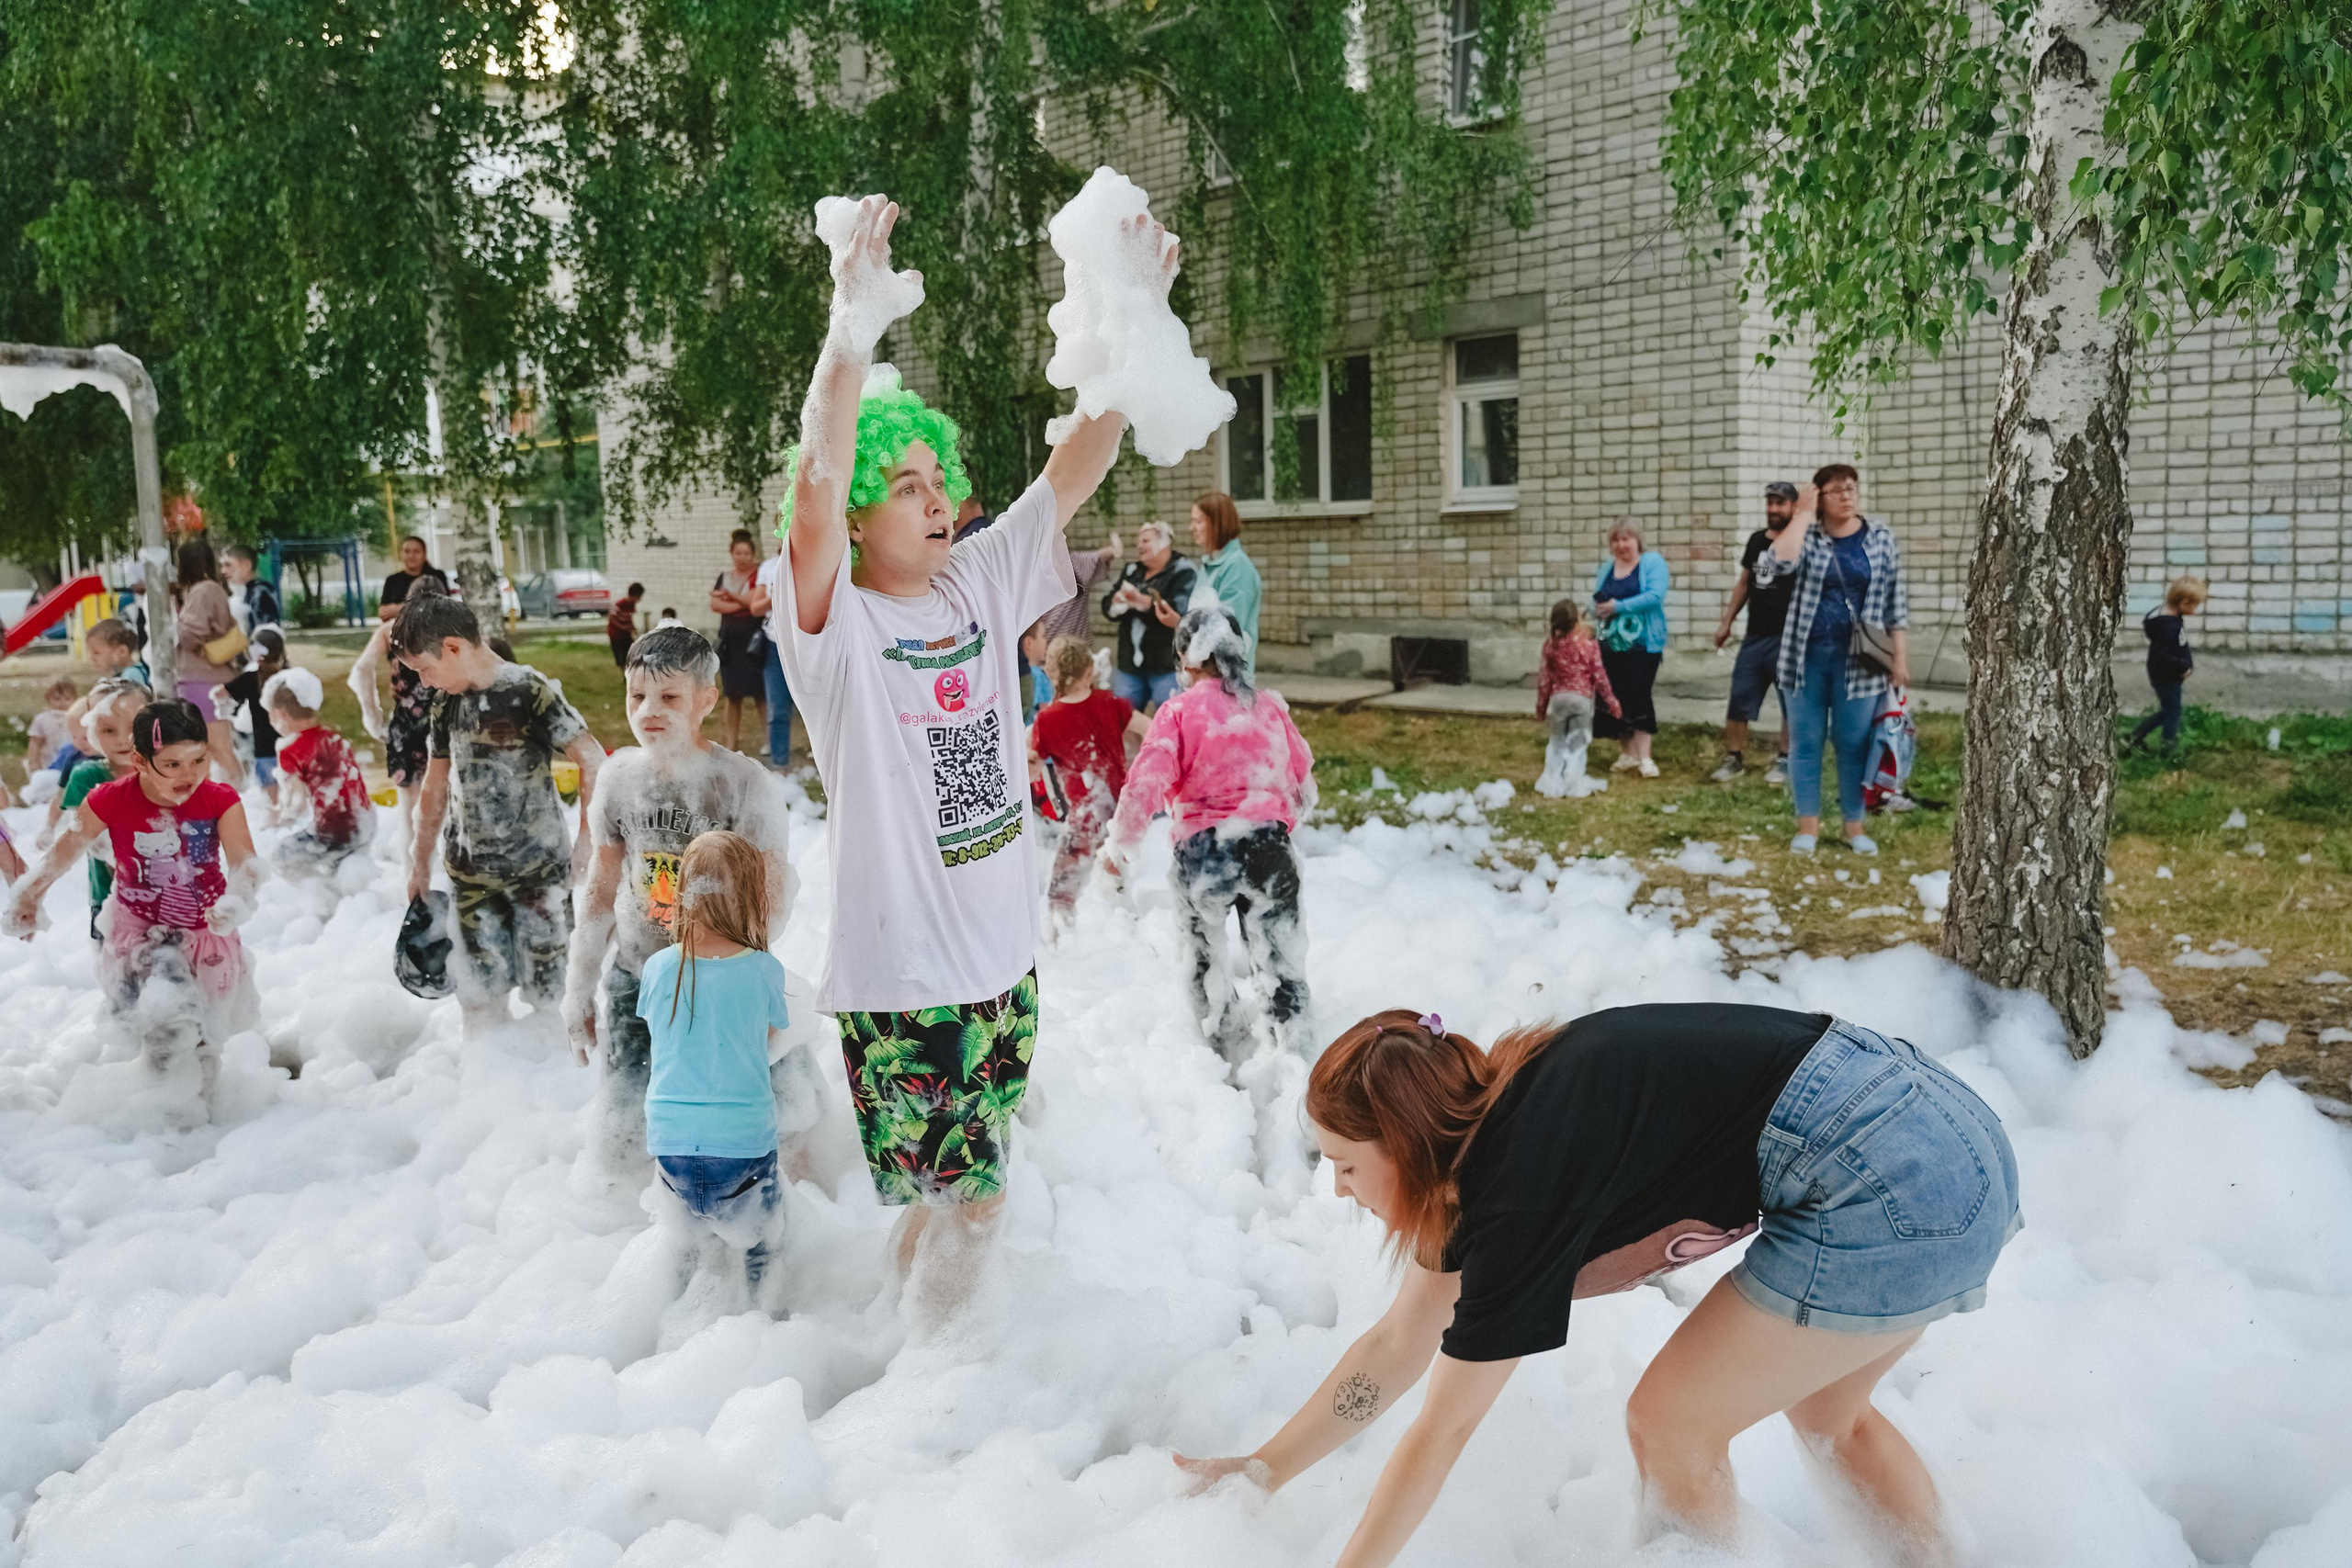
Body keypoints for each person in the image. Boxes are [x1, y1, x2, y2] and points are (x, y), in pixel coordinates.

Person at [1175, 1003, 2020, 1567]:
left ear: (1406, 1146)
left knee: (1669, 1425)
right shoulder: (1497, 1126)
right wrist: (1261, 1469)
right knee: (1832, 1415)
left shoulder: (1519, 1189)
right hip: (1948, 1134)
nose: (1338, 1190)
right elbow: (1397, 1345)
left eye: (1347, 1165)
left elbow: (1442, 1428)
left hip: (1894, 1176)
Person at [768, 195, 1138, 1309]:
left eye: (941, 482)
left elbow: (1079, 461)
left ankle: (902, 1354)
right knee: (977, 1200)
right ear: (867, 518)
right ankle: (933, 1386)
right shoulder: (833, 622)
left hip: (1000, 966)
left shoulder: (975, 582)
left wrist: (1128, 323)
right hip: (908, 984)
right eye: (909, 487)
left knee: (953, 1192)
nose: (938, 504)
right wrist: (849, 331)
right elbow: (815, 494)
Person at [564, 626, 797, 1178]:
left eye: (669, 697)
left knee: (770, 1111)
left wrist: (744, 978)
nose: (649, 710)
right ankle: (628, 1218)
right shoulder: (618, 780)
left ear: (706, 700)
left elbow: (771, 890)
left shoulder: (741, 785)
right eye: (636, 695)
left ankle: (782, 1201)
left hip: (721, 979)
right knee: (626, 1115)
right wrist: (579, 987)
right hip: (638, 974)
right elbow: (600, 889)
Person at [6, 698, 266, 1105]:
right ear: (141, 762)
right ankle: (162, 1106)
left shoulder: (219, 799)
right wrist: (29, 896)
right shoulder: (110, 799)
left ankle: (202, 1114)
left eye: (198, 760)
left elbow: (244, 863)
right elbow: (64, 851)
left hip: (205, 933)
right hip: (140, 932)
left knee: (205, 1038)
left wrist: (237, 899)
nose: (189, 775)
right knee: (167, 1023)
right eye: (173, 764)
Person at [1102, 607, 1316, 1088]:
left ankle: (1226, 1068)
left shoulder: (1177, 713)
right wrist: (1281, 826)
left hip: (1203, 857)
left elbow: (1146, 784)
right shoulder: (1269, 708)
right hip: (1269, 849)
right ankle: (1297, 1068)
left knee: (1204, 960)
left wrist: (1120, 848)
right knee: (1283, 966)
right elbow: (1303, 780)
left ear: (1185, 660)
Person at [396, 592, 604, 1043]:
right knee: (480, 998)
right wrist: (419, 860)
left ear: (453, 647)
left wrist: (588, 841)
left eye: (424, 668)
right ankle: (492, 1088)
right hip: (471, 879)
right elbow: (433, 789)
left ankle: (553, 1094)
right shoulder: (446, 704)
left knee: (554, 996)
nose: (426, 681)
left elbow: (591, 757)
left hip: (539, 876)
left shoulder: (528, 691)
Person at [637, 829, 818, 1304]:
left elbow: (661, 1031)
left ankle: (669, 1320)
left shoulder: (658, 968)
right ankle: (763, 1320)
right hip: (742, 1146)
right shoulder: (761, 969)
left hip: (670, 1143)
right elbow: (773, 1033)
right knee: (763, 1244)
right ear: (754, 897)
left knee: (684, 1246)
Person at [1754, 465, 1911, 855]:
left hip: (1862, 661)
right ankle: (1808, 826)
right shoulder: (1807, 534)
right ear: (1819, 496)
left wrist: (1900, 658)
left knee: (1853, 742)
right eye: (1837, 490)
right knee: (1806, 742)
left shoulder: (1879, 537)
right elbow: (1773, 567)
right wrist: (1803, 514)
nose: (1847, 495)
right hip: (1804, 656)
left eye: (1851, 488)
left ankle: (1853, 827)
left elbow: (1896, 601)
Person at [1029, 634, 1136, 925]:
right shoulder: (1112, 703)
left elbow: (1032, 765)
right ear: (1090, 671)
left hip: (1084, 818)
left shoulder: (1047, 720)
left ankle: (1061, 926)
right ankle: (1125, 920)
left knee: (1061, 888)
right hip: (1119, 811)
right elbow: (1154, 730)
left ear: (1050, 674)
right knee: (1115, 873)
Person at [41, 678, 150, 939]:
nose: (124, 739)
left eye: (133, 726)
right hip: (109, 898)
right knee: (118, 974)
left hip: (171, 900)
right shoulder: (87, 776)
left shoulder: (166, 770)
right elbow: (82, 838)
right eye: (108, 730)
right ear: (91, 731)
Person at [350, 576, 449, 847]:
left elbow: (361, 670)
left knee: (410, 807)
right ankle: (446, 868)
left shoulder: (392, 630)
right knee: (450, 799)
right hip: (447, 723)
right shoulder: (451, 630)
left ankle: (413, 873)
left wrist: (372, 715)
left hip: (406, 726)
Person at [1711, 481, 1797, 784]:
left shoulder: (1802, 542)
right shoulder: (1757, 540)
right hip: (1755, 637)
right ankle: (1734, 758)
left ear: (1793, 508)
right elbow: (1744, 583)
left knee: (1791, 702)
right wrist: (1726, 622)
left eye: (1780, 503)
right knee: (1740, 698)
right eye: (1770, 503)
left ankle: (1785, 760)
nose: (1773, 509)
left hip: (1789, 639)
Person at [265, 667, 376, 879]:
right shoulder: (333, 739)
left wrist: (277, 817)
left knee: (281, 856)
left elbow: (296, 806)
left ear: (281, 715)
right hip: (365, 826)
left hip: (334, 835)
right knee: (336, 863)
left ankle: (316, 899)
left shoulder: (290, 749)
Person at [1589, 518, 1669, 778]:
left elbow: (1654, 596)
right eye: (1616, 539)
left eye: (1626, 539)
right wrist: (1596, 609)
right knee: (1613, 697)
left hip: (1643, 645)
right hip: (1609, 645)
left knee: (1638, 695)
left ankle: (1645, 758)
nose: (1621, 545)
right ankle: (1627, 754)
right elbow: (1596, 599)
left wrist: (1618, 607)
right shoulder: (1607, 567)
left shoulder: (1652, 562)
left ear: (1637, 540)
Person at [171, 536, 244, 784]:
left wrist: (172, 623)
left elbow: (191, 635)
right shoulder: (211, 589)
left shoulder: (203, 591)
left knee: (216, 745)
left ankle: (239, 794)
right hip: (209, 676)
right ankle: (234, 791)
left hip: (202, 678)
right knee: (212, 747)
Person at [1102, 521, 1195, 712]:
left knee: (1172, 719)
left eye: (1145, 541)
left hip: (1166, 666)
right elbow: (1107, 605)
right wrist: (1116, 603)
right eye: (1139, 542)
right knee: (1124, 721)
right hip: (1129, 668)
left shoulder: (1183, 571)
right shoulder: (1132, 571)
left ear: (1163, 544)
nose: (1139, 546)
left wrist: (1140, 601)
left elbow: (1178, 611)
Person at [1532, 600, 1618, 798]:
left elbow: (1544, 679)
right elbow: (1600, 676)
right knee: (1577, 745)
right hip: (1581, 700)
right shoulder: (1588, 645)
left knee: (1556, 743)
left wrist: (1541, 707)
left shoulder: (1550, 646)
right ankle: (1573, 784)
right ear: (1577, 621)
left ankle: (1552, 782)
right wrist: (1612, 702)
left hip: (1559, 700)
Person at [2127, 576, 2204, 759]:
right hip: (2166, 676)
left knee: (2168, 710)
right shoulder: (2169, 626)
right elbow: (2163, 656)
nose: (2196, 609)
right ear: (2184, 603)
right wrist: (2183, 666)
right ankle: (2168, 749)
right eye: (2195, 605)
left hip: (2163, 674)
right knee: (2172, 712)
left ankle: (2134, 737)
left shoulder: (2167, 617)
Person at [710, 530, 770, 753]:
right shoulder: (724, 577)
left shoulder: (759, 575)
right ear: (732, 553)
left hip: (753, 642)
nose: (742, 557)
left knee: (760, 694)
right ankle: (731, 743)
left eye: (746, 553)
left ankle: (769, 740)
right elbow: (715, 605)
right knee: (732, 695)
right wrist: (743, 604)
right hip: (730, 643)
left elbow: (755, 601)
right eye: (738, 553)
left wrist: (731, 598)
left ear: (752, 555)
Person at [1189, 491, 1261, 672]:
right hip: (1204, 675)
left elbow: (1229, 631)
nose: (1191, 528)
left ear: (1217, 523)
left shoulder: (1237, 567)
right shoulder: (1209, 564)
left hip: (1227, 680)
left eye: (1198, 521)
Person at [220, 627, 288, 797]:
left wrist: (224, 709)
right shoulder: (288, 677)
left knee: (273, 800)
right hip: (289, 745)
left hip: (263, 748)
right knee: (292, 794)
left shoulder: (250, 679)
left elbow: (220, 693)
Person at [753, 540, 799, 771]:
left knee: (818, 706)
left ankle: (824, 761)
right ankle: (780, 765)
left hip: (805, 645)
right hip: (774, 646)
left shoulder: (813, 561)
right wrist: (778, 596)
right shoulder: (769, 567)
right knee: (778, 708)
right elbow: (755, 607)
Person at [379, 534, 452, 620]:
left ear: (424, 555)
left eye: (416, 551)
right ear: (401, 554)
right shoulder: (392, 580)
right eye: (407, 551)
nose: (411, 556)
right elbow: (384, 613)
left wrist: (401, 609)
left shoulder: (436, 576)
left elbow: (443, 605)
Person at [220, 544, 282, 635]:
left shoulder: (260, 593)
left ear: (247, 565)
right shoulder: (235, 593)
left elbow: (267, 634)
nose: (223, 571)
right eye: (221, 566)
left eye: (228, 565)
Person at [26, 677, 76, 774]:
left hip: (72, 762)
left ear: (74, 699)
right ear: (48, 699)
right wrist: (34, 763)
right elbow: (35, 744)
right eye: (57, 699)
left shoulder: (76, 717)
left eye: (67, 699)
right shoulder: (42, 719)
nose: (63, 703)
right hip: (49, 763)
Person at [608, 581, 644, 668]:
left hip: (625, 634)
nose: (640, 599)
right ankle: (624, 675)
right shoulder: (620, 604)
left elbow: (629, 618)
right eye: (639, 597)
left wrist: (632, 627)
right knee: (620, 657)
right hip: (616, 634)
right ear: (635, 595)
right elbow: (611, 618)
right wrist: (623, 627)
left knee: (629, 654)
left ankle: (628, 674)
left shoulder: (632, 605)